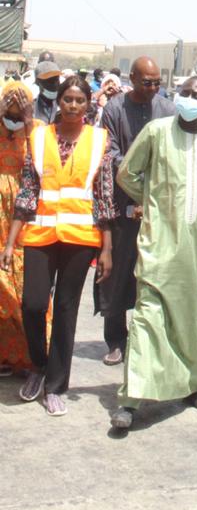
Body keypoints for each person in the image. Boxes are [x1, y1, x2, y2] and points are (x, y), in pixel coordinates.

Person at [110, 76, 197, 430]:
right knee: (148, 316)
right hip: (159, 243)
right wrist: (153, 201)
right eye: (186, 93)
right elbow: (127, 174)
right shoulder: (156, 132)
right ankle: (131, 398)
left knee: (194, 317)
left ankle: (194, 385)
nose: (190, 99)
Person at [1, 76, 114, 416]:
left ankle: (55, 385)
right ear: (59, 102)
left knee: (65, 310)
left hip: (80, 239)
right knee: (34, 304)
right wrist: (9, 243)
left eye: (80, 100)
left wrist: (107, 249)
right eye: (68, 100)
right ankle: (38, 364)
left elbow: (105, 199)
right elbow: (27, 194)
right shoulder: (38, 137)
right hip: (39, 234)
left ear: (88, 104)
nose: (74, 106)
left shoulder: (99, 141)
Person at [94, 55, 175, 366]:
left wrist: (152, 192)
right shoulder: (114, 109)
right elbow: (109, 151)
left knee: (151, 273)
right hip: (121, 202)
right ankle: (115, 339)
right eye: (147, 82)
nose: (153, 88)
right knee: (116, 273)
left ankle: (147, 338)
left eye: (157, 83)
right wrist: (135, 182)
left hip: (156, 204)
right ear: (132, 78)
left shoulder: (167, 109)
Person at [0, 82, 42, 376]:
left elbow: (42, 164)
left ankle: (31, 356)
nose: (12, 119)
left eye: (20, 111)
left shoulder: (37, 129)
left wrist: (27, 122)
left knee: (26, 285)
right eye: (9, 112)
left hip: (25, 214)